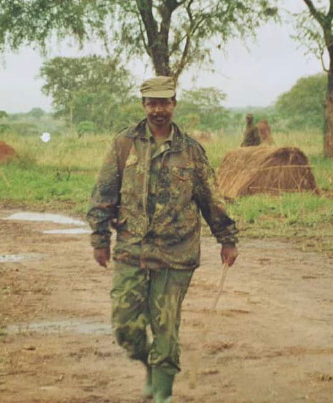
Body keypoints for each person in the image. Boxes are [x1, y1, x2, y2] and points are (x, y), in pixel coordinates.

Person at [87, 76, 239, 403]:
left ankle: (162, 394)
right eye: (152, 103)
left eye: (164, 102)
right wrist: (100, 238)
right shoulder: (123, 144)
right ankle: (149, 367)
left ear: (174, 104)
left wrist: (226, 238)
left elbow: (210, 199)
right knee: (126, 327)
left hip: (176, 254)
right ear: (143, 105)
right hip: (132, 249)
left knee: (166, 327)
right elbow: (103, 193)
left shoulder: (191, 151)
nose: (158, 109)